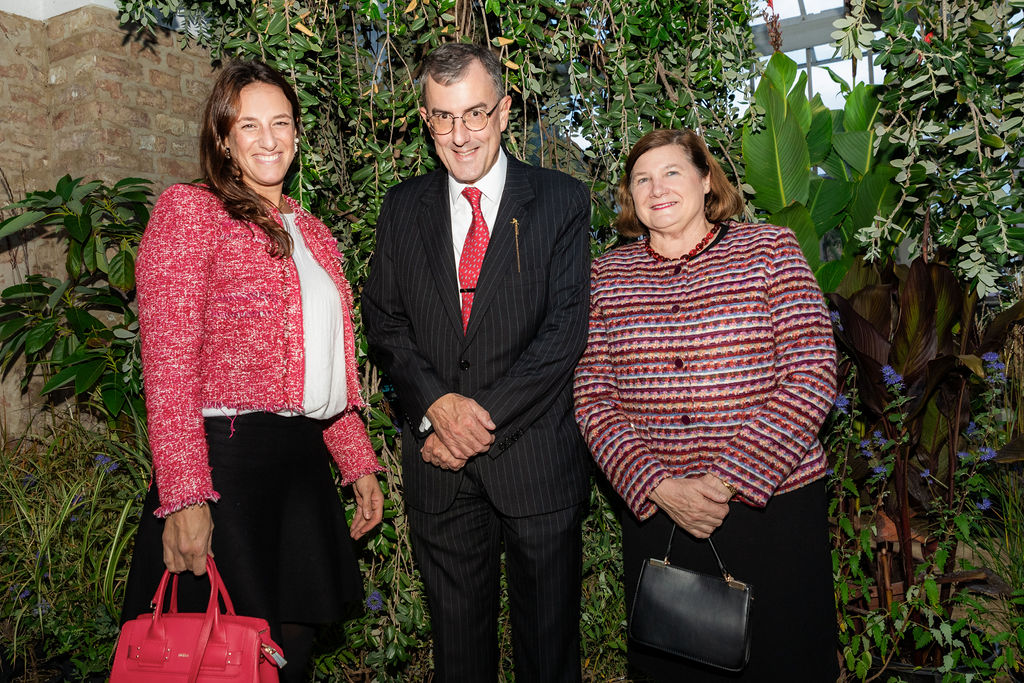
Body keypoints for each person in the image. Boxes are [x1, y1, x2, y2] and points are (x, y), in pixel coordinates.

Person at [120, 60, 385, 683]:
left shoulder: (312, 231)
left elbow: (323, 367)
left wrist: (358, 463)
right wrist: (185, 496)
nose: (269, 139)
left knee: (291, 651)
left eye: (282, 123)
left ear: (297, 133)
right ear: (223, 138)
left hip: (301, 467)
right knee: (222, 656)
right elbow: (169, 366)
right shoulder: (192, 211)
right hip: (225, 466)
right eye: (249, 125)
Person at [362, 42, 592, 682]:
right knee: (459, 660)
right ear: (425, 119)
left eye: (474, 114)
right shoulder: (402, 207)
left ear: (505, 111)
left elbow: (563, 333)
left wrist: (472, 422)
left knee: (548, 659)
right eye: (442, 117)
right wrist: (436, 407)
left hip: (536, 465)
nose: (459, 135)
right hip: (440, 471)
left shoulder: (561, 200)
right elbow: (385, 321)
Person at [573, 129, 839, 681]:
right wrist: (656, 485)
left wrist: (725, 481)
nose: (657, 189)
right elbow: (593, 397)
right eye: (642, 179)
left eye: (672, 172)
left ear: (705, 180)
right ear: (629, 197)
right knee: (676, 666)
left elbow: (812, 373)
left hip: (772, 508)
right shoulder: (605, 277)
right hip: (660, 513)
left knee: (785, 661)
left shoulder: (770, 250)